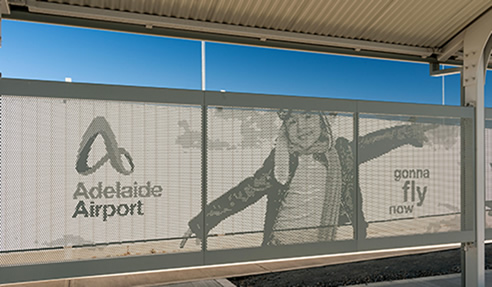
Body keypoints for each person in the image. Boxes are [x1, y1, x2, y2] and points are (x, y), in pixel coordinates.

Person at [181, 110, 430, 247]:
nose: (302, 127)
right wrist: (202, 222)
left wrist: (408, 132)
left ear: (323, 123)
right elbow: (245, 192)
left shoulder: (342, 153)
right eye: (292, 121)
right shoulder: (281, 160)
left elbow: (375, 143)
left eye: (309, 117)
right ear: (285, 129)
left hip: (332, 243)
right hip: (281, 247)